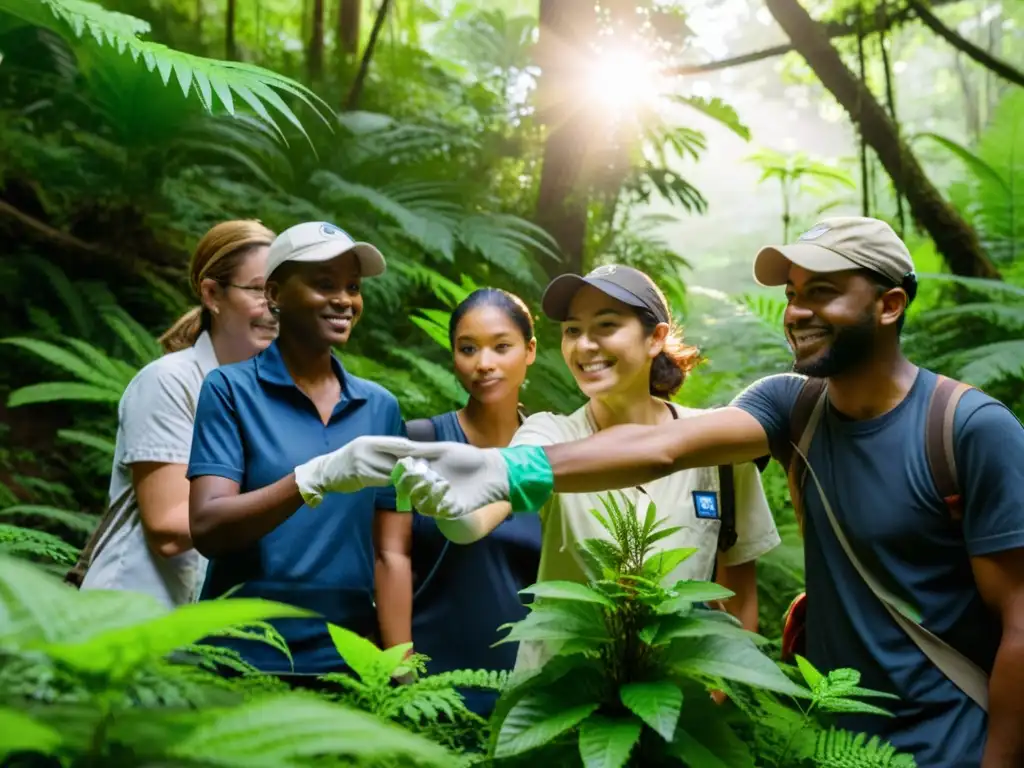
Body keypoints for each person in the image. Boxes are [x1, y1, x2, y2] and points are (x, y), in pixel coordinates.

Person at [391, 217, 1024, 768]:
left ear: (888, 306)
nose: (797, 311)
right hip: (826, 739)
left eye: (822, 293)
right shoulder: (789, 406)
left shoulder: (969, 430)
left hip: (951, 742)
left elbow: (1019, 624)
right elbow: (662, 446)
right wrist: (500, 475)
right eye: (793, 294)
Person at [410, 265, 780, 674]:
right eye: (572, 330)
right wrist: (452, 510)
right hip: (561, 702)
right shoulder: (549, 432)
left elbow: (739, 595)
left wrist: (719, 696)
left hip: (676, 705)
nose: (584, 345)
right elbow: (490, 502)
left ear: (655, 338)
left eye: (606, 326)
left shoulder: (715, 443)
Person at [186, 221, 414, 681]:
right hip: (242, 653)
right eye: (324, 283)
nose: (344, 300)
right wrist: (312, 478)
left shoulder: (380, 408)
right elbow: (208, 526)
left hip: (348, 661)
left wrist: (401, 668)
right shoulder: (231, 390)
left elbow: (391, 552)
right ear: (275, 293)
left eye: (352, 287)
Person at [73, 219, 278, 606]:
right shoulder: (169, 382)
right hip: (130, 620)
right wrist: (300, 495)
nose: (272, 308)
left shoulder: (276, 396)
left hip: (211, 639)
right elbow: (168, 527)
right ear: (212, 294)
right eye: (257, 290)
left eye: (279, 292)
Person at [374, 288, 542, 714]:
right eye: (468, 349)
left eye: (502, 347)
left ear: (530, 350)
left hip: (532, 694)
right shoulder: (420, 443)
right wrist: (402, 672)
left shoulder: (551, 453)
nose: (484, 363)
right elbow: (392, 554)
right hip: (429, 690)